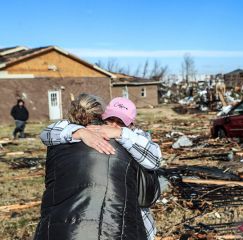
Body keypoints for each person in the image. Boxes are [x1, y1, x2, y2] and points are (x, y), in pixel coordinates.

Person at [39, 97, 161, 240]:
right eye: (110, 120)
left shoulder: (137, 136)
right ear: (103, 116)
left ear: (131, 124)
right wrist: (79, 132)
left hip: (134, 216)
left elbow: (155, 159)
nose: (114, 125)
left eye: (121, 122)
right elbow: (46, 134)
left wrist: (120, 134)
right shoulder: (89, 130)